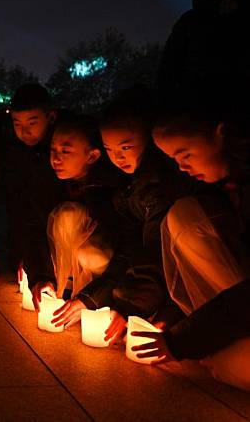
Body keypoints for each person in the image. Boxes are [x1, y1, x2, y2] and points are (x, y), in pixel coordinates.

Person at [132, 107, 250, 391]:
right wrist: (172, 320)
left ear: (219, 134)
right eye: (174, 160)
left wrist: (183, 340)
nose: (182, 167)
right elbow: (199, 274)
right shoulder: (220, 191)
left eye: (185, 155)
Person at [65, 86, 194, 344]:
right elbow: (129, 247)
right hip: (155, 284)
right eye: (110, 150)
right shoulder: (125, 187)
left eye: (125, 147)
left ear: (149, 139)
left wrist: (132, 308)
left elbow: (154, 250)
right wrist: (90, 298)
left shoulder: (156, 187)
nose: (117, 158)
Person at [32, 114, 125, 328]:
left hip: (108, 283)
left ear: (92, 156)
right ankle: (65, 291)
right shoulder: (48, 184)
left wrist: (92, 298)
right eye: (53, 150)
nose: (56, 159)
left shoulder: (111, 193)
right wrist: (40, 275)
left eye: (65, 151)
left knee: (69, 216)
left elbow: (125, 250)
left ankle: (91, 302)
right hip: (68, 281)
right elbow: (34, 229)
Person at [5, 84, 65, 298]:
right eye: (17, 123)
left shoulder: (64, 154)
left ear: (51, 117)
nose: (24, 131)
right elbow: (21, 214)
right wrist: (28, 262)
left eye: (32, 122)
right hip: (34, 242)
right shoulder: (15, 157)